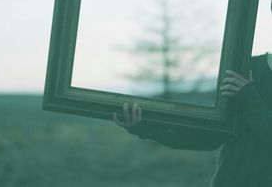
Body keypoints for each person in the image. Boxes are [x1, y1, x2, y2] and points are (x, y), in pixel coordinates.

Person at [113, 52, 272, 187]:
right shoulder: (252, 68)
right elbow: (209, 136)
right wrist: (146, 127)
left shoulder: (248, 85)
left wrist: (251, 99)